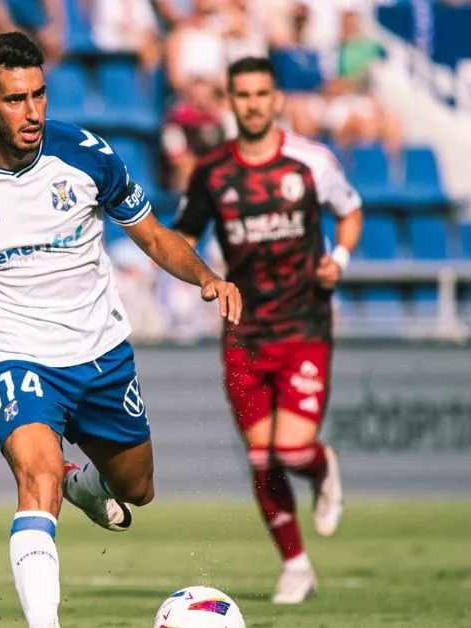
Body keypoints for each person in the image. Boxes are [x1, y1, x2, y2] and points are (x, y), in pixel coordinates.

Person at [0, 33, 242, 628]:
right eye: (16, 99)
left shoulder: (87, 154)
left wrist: (205, 275)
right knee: (35, 478)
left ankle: (84, 483)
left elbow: (152, 235)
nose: (34, 111)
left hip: (101, 352)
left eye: (40, 94)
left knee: (137, 488)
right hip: (16, 357)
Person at [172, 57, 364, 605]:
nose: (253, 103)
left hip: (304, 323)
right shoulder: (212, 172)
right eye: (243, 94)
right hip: (244, 331)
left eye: (262, 94)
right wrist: (201, 275)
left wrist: (341, 258)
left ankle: (325, 469)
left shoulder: (311, 162)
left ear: (276, 99)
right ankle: (296, 566)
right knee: (261, 456)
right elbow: (182, 236)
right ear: (230, 101)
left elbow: (351, 212)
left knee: (292, 449)